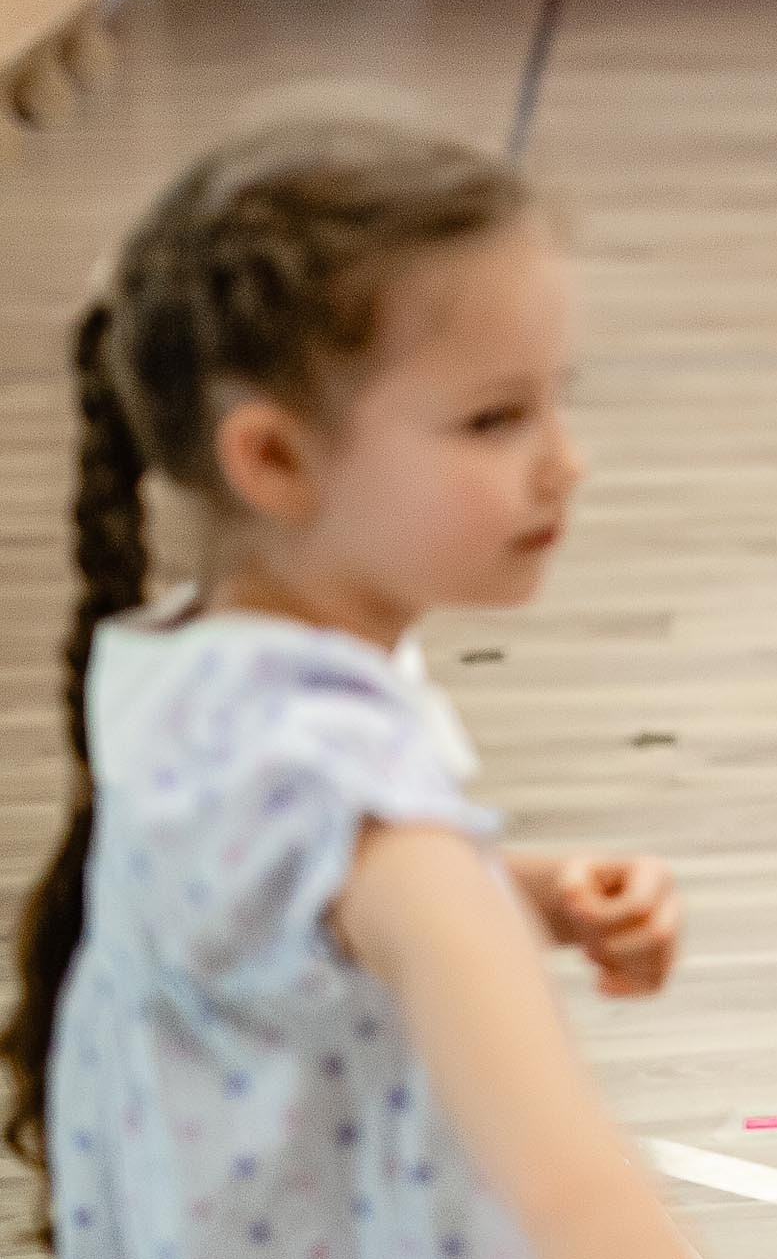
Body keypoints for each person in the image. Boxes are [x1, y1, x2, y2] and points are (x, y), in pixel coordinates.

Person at [0, 123, 696, 1257]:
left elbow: (294, 922)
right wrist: (459, 889)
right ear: (272, 458)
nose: (567, 462)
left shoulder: (175, 658)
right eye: (494, 418)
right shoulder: (341, 785)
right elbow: (576, 1197)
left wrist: (530, 890)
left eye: (556, 400)